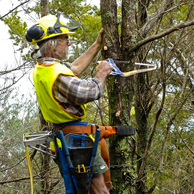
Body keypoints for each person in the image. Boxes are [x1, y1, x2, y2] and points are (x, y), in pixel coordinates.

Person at [25, 12, 113, 194]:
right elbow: (90, 91)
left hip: (65, 140)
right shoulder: (57, 75)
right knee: (100, 191)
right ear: (52, 44)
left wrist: (97, 45)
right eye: (66, 39)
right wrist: (101, 74)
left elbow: (75, 68)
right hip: (76, 141)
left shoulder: (44, 68)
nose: (69, 43)